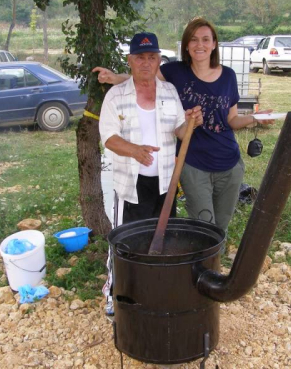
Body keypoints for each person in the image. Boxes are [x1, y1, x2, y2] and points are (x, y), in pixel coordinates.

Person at [94, 17, 274, 233]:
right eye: (194, 40)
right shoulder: (174, 73)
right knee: (197, 226)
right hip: (190, 164)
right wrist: (114, 78)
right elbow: (142, 75)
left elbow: (229, 120)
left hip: (214, 164)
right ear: (186, 45)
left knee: (215, 225)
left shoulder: (222, 77)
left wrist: (255, 117)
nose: (200, 45)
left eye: (206, 39)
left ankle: (210, 264)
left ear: (214, 43)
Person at [98, 31, 203, 317]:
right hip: (130, 185)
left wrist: (192, 122)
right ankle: (114, 293)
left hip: (165, 184)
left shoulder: (169, 92)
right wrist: (134, 150)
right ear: (130, 61)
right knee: (123, 242)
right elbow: (108, 138)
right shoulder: (116, 96)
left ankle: (156, 290)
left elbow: (180, 131)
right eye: (140, 58)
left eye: (152, 57)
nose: (146, 63)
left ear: (158, 60)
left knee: (164, 239)